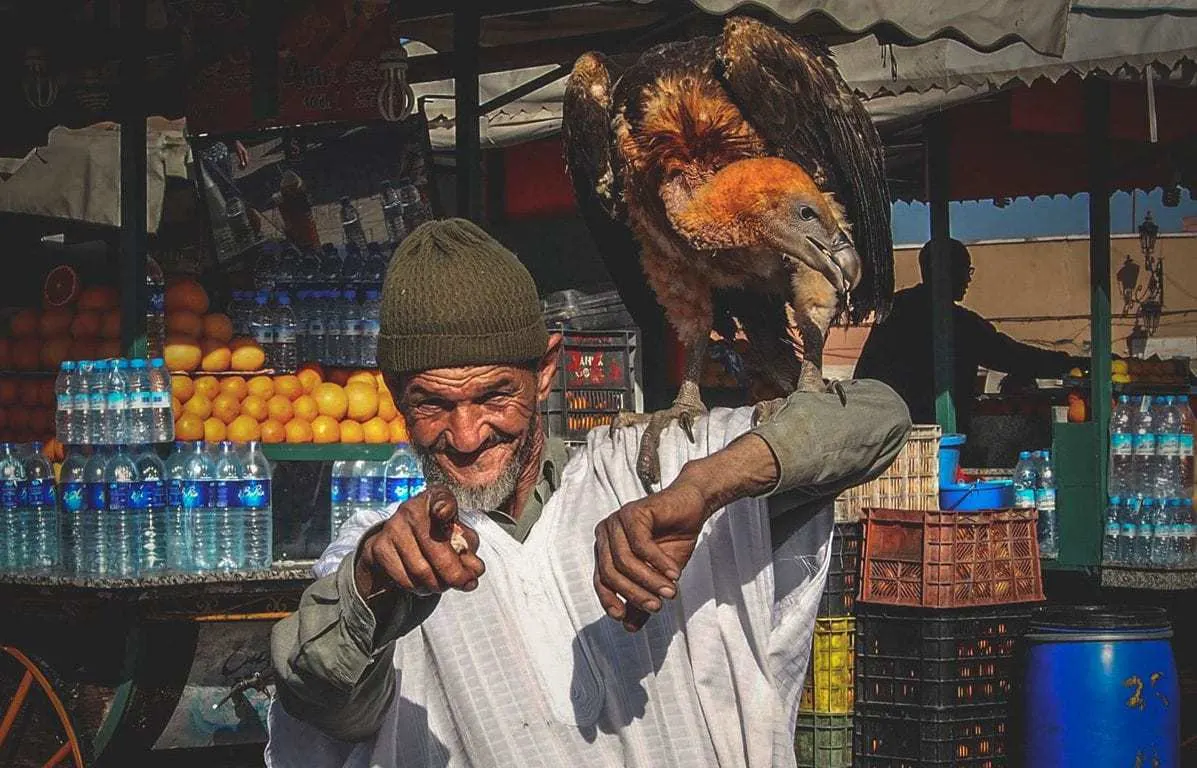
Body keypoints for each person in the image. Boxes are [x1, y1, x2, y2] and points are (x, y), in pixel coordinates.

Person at [267, 219, 911, 768]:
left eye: (494, 396)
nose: (465, 435)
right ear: (395, 394)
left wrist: (706, 485)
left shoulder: (659, 461)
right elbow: (321, 698)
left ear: (546, 371)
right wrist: (376, 584)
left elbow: (876, 416)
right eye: (432, 404)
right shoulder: (386, 551)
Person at [855, 238, 1080, 434]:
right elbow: (1012, 356)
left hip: (889, 433)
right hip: (937, 436)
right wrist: (1071, 364)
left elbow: (863, 373)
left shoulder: (894, 310)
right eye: (966, 270)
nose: (968, 280)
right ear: (947, 271)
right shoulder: (959, 324)